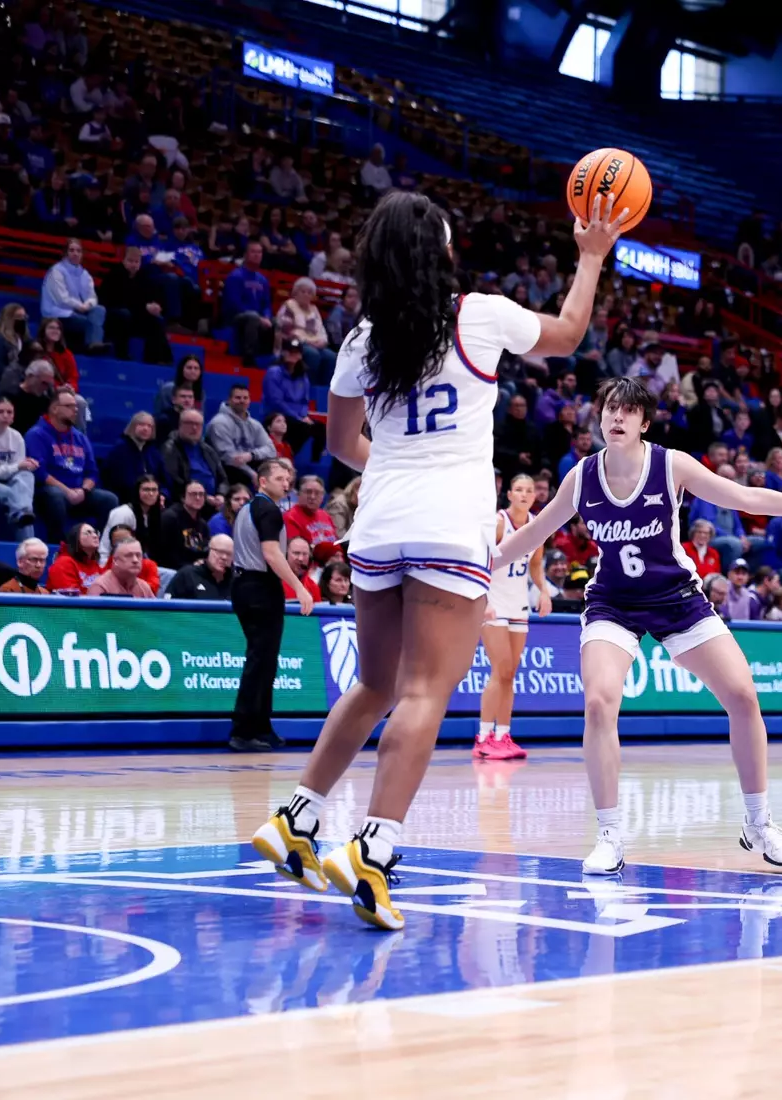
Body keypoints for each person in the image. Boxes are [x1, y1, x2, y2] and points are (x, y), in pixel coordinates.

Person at [250, 188, 626, 930]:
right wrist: (589, 259)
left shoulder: (361, 339)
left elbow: (338, 445)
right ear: (441, 253)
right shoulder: (479, 315)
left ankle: (296, 819)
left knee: (373, 685)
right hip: (448, 524)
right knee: (424, 691)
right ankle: (375, 846)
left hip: (380, 517)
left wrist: (398, 461)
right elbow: (571, 333)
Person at [496, 375, 782, 876]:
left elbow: (746, 498)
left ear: (644, 423)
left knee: (743, 696)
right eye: (610, 409)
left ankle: (759, 823)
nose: (616, 417)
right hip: (612, 602)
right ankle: (610, 834)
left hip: (677, 598)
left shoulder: (670, 464)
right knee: (598, 702)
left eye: (627, 411)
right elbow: (531, 537)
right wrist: (478, 563)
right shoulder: (582, 478)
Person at [227, 460, 313, 751]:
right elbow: (272, 554)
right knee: (260, 659)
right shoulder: (268, 510)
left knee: (265, 659)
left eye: (288, 478)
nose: (286, 483)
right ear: (262, 482)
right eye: (279, 478)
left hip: (244, 584)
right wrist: (299, 587)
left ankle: (261, 727)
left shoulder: (248, 509)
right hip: (259, 586)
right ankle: (243, 730)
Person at [476, 472, 554, 761]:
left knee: (510, 674)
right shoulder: (498, 523)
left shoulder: (536, 526)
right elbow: (480, 561)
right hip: (493, 602)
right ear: (509, 494)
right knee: (500, 669)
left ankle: (503, 734)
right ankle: (483, 737)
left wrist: (544, 591)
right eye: (518, 489)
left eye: (528, 490)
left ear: (535, 496)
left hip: (519, 604)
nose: (523, 494)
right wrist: (483, 599)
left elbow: (535, 564)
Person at [26, 388, 117, 541]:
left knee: (109, 500)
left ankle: (99, 545)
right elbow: (40, 472)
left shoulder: (80, 437)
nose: (75, 410)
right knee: (55, 496)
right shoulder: (37, 434)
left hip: (79, 492)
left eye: (76, 407)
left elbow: (92, 472)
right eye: (69, 406)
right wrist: (67, 491)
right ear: (54, 409)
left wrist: (83, 490)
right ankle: (58, 544)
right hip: (50, 491)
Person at [100, 245, 171, 362]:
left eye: (136, 262)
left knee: (156, 321)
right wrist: (144, 307)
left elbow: (151, 296)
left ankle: (155, 360)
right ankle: (121, 354)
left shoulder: (143, 277)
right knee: (124, 314)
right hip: (114, 315)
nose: (133, 264)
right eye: (130, 261)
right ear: (123, 261)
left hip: (136, 316)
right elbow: (117, 299)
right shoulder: (115, 274)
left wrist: (156, 306)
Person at [40, 238, 108, 352]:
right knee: (92, 324)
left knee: (99, 310)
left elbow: (92, 297)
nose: (75, 254)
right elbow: (61, 299)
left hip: (78, 311)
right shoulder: (56, 271)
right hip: (57, 313)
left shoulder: (84, 274)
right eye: (71, 250)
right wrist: (80, 306)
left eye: (78, 251)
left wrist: (87, 305)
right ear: (65, 253)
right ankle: (92, 344)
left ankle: (94, 344)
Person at [206, 380, 273, 488]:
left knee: (273, 466)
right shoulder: (219, 423)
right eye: (237, 398)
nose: (242, 401)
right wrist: (253, 475)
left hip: (247, 464)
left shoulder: (254, 424)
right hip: (226, 469)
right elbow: (229, 458)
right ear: (229, 400)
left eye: (245, 398)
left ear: (249, 400)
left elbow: (271, 449)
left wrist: (251, 455)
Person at [264, 340, 323, 460]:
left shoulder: (303, 376)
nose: (293, 355)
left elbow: (304, 402)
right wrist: (298, 417)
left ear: (301, 356)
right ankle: (285, 456)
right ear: (283, 353)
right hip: (277, 414)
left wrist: (303, 416)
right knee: (302, 427)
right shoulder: (274, 372)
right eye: (290, 352)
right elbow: (276, 401)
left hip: (297, 417)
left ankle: (314, 462)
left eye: (296, 353)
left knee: (321, 428)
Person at [275, 277, 336, 383]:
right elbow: (287, 330)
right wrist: (307, 341)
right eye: (303, 291)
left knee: (331, 356)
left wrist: (323, 341)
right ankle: (308, 385)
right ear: (295, 293)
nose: (306, 294)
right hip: (293, 344)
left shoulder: (314, 309)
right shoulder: (289, 305)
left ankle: (323, 390)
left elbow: (321, 329)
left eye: (309, 292)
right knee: (312, 354)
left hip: (314, 343)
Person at [221, 241, 273, 364]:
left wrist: (266, 317)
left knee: (275, 322)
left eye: (259, 252)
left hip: (257, 317)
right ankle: (249, 357)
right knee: (253, 317)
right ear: (246, 254)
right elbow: (234, 303)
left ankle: (268, 358)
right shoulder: (235, 276)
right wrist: (259, 317)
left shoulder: (263, 280)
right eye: (253, 252)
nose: (257, 255)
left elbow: (266, 304)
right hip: (236, 316)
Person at [161, 408, 226, 505]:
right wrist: (203, 497)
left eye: (198, 424)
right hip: (185, 502)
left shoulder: (208, 450)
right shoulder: (170, 449)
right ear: (180, 425)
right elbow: (174, 482)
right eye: (190, 423)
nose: (194, 428)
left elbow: (223, 479)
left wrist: (221, 494)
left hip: (213, 502)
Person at [101, 474, 166, 563]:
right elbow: (110, 548)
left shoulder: (152, 515)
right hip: (114, 563)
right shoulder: (123, 513)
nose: (151, 493)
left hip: (140, 563)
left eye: (154, 490)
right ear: (137, 491)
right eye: (146, 489)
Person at [283, 475, 337, 564]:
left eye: (317, 493)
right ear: (298, 494)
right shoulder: (290, 517)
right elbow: (297, 553)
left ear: (323, 496)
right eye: (308, 492)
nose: (312, 496)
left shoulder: (325, 515)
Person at [159, 480, 212, 570]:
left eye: (201, 494)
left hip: (195, 569)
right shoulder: (170, 518)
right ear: (183, 497)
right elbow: (165, 553)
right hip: (172, 569)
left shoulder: (203, 524)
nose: (198, 498)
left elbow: (204, 551)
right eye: (193, 494)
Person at [164, 533, 234, 600]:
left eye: (229, 554)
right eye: (220, 552)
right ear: (208, 551)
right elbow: (167, 605)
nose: (224, 557)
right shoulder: (187, 575)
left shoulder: (235, 582)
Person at [46, 522, 104, 593]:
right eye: (88, 532)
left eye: (96, 532)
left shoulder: (93, 564)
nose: (95, 536)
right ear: (76, 538)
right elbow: (71, 599)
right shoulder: (64, 563)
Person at [88, 536, 154, 598]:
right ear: (115, 560)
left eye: (138, 555)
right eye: (129, 555)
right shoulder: (100, 587)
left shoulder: (144, 587)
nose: (135, 560)